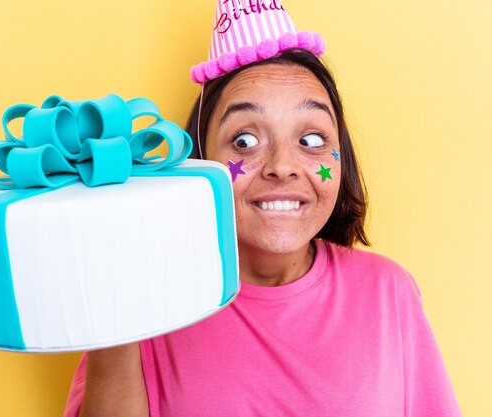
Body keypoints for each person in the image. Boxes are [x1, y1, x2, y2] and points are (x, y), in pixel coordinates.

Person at [64, 3, 462, 416]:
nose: (283, 167)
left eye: (310, 140)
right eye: (244, 142)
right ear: (200, 162)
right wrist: (114, 310)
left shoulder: (388, 291)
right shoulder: (147, 302)